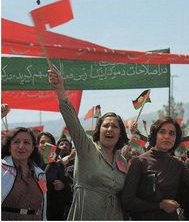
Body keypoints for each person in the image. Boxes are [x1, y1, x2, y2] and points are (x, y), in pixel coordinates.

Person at [48, 68, 129, 220]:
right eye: (106, 125)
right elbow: (73, 123)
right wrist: (60, 90)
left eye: (115, 126)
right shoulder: (87, 147)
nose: (110, 129)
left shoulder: (122, 160)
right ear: (99, 129)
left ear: (120, 133)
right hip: (86, 214)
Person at [121, 116, 189, 220]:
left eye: (172, 133)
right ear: (155, 135)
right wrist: (159, 205)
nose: (167, 136)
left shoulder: (177, 163)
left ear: (176, 138)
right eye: (162, 132)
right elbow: (127, 201)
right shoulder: (139, 162)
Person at [1, 127, 47, 220]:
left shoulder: (40, 174)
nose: (21, 146)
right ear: (9, 147)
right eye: (16, 142)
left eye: (26, 142)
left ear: (33, 148)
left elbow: (43, 208)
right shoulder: (2, 169)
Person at [37, 131, 72, 220]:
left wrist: (63, 185)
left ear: (53, 146)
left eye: (48, 142)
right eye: (42, 142)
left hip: (52, 213)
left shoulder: (57, 165)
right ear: (37, 145)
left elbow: (69, 191)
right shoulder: (29, 164)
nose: (45, 145)